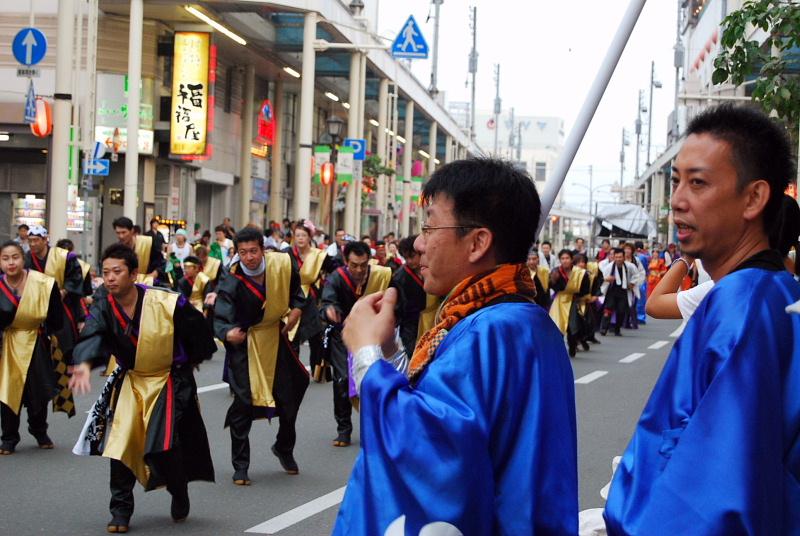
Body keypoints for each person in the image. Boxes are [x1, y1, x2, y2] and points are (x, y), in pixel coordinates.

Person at [334, 158, 577, 535]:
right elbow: (443, 409)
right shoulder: (517, 321)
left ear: (478, 242)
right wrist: (389, 352)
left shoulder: (491, 330)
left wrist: (365, 353)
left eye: (430, 225)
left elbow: (429, 450)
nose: (419, 242)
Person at [604, 104, 800, 533]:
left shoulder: (741, 306)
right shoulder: (773, 293)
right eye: (676, 182)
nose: (676, 200)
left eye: (698, 183)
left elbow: (714, 497)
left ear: (754, 198)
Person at [70, 244, 216, 533]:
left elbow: (196, 329)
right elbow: (93, 331)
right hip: (132, 379)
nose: (110, 278)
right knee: (121, 444)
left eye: (117, 271)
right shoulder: (103, 303)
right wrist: (85, 362)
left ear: (133, 274)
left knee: (165, 446)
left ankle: (178, 488)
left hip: (168, 379)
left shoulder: (164, 301)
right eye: (106, 272)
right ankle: (120, 510)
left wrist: (193, 358)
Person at [213, 227, 308, 484]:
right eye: (242, 252)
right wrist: (227, 332)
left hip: (275, 338)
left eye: (253, 251)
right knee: (243, 402)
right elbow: (220, 316)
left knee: (293, 391)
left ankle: (284, 447)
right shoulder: (231, 278)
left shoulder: (281, 265)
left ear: (262, 249)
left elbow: (298, 296)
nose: (249, 257)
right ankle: (240, 465)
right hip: (245, 344)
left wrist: (297, 310)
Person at [320, 240, 392, 447]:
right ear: (345, 261)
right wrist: (329, 311)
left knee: (373, 381)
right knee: (342, 380)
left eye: (363, 265)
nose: (359, 270)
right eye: (354, 265)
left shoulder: (380, 276)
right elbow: (326, 302)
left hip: (371, 335)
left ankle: (374, 429)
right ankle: (343, 429)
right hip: (343, 335)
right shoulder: (336, 278)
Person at [0, 241, 65, 455]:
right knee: (8, 392)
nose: (11, 263)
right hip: (7, 344)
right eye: (5, 258)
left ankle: (39, 430)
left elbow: (56, 316)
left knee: (39, 390)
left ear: (23, 258)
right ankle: (9, 437)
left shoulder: (41, 283)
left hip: (36, 340)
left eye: (15, 257)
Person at [25, 226, 85, 415]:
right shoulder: (25, 259)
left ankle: (60, 384)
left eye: (37, 240)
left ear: (45, 240)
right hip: (32, 311)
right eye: (31, 240)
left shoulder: (64, 257)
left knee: (62, 347)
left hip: (60, 308)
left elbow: (76, 278)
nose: (33, 244)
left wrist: (64, 291)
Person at [283, 220, 335, 382]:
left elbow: (335, 270)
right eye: (297, 235)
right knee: (293, 337)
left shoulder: (319, 256)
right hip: (292, 299)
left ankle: (318, 371)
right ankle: (293, 372)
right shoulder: (286, 253)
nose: (300, 238)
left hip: (311, 299)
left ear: (309, 237)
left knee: (317, 337)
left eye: (303, 235)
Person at [391, 235, 439, 354]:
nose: (409, 261)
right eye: (406, 258)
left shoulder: (433, 269)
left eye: (412, 257)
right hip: (410, 326)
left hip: (433, 320)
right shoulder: (399, 277)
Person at [549, 249, 590, 357]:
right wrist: (553, 281)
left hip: (574, 301)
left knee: (573, 326)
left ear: (572, 259)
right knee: (557, 326)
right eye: (562, 258)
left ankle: (572, 346)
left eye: (567, 258)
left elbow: (585, 288)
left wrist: (579, 296)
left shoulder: (580, 273)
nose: (565, 261)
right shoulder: (555, 271)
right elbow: (552, 286)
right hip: (560, 301)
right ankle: (559, 349)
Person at [113, 217, 164, 285]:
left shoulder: (147, 243)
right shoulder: (117, 249)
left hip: (147, 284)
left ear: (132, 231)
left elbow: (161, 263)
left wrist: (154, 274)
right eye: (118, 233)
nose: (121, 236)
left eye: (124, 232)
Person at [598, 248, 637, 337]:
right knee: (608, 309)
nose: (618, 259)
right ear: (614, 257)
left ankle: (617, 329)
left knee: (621, 311)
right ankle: (604, 328)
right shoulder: (609, 267)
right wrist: (606, 279)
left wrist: (632, 283)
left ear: (624, 257)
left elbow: (636, 275)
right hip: (611, 291)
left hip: (623, 292)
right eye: (616, 257)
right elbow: (602, 278)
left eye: (620, 257)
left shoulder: (629, 266)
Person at [622, 243, 646, 329]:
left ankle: (633, 322)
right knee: (622, 305)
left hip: (633, 286)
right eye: (626, 249)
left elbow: (641, 272)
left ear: (632, 251)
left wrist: (634, 283)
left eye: (629, 249)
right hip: (621, 287)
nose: (627, 251)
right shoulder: (620, 259)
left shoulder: (636, 260)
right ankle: (624, 322)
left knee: (632, 304)